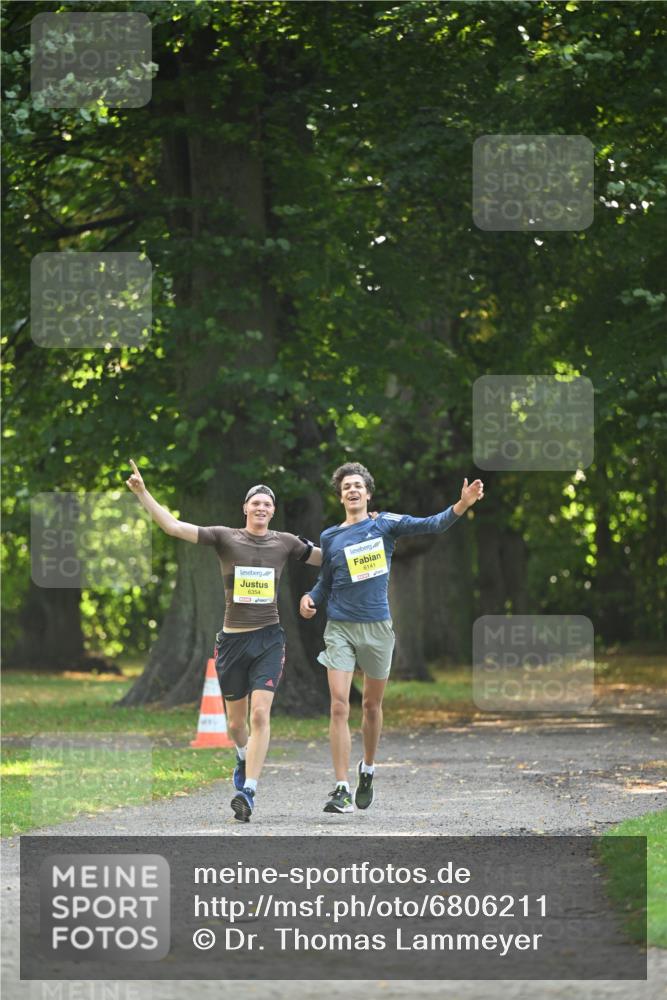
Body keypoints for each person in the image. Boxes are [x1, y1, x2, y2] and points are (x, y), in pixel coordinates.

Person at [125, 459, 321, 822]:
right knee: (236, 725)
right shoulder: (225, 537)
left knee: (261, 714)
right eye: (255, 503)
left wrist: (364, 533)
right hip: (232, 644)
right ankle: (243, 756)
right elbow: (172, 526)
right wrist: (142, 493)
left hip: (269, 640)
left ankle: (248, 790)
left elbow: (329, 559)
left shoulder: (286, 543)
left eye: (267, 504)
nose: (261, 508)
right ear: (245, 508)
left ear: (273, 511)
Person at [300, 462, 484, 814]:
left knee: (371, 706)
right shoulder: (330, 537)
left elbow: (431, 524)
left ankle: (366, 769)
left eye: (358, 486)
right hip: (339, 627)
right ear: (340, 497)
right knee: (339, 704)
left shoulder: (384, 523)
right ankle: (340, 788)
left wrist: (461, 505)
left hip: (377, 628)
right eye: (346, 487)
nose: (352, 490)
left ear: (367, 493)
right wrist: (311, 599)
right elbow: (325, 581)